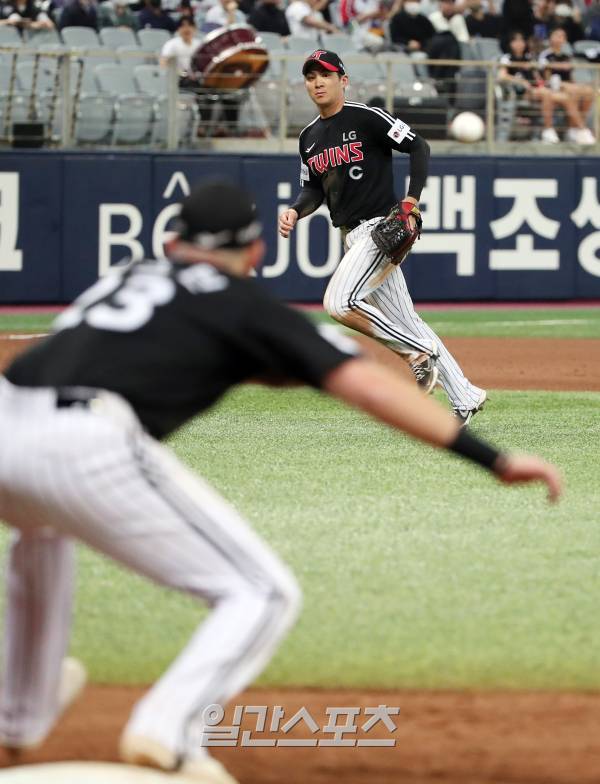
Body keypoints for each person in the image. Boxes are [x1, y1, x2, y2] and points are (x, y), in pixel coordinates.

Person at [0, 179, 561, 782]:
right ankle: (169, 727)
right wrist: (493, 459)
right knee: (261, 593)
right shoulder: (243, 304)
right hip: (86, 437)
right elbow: (367, 385)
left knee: (42, 532)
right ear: (256, 253)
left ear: (171, 241)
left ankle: (17, 717)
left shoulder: (128, 278)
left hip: (9, 418)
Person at [279, 50, 487, 425]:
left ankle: (415, 354)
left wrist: (411, 200)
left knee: (339, 303)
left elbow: (418, 146)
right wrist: (297, 209)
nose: (317, 83)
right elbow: (313, 190)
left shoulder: (366, 117)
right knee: (408, 320)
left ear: (343, 80)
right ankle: (466, 396)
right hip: (351, 235)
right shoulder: (309, 137)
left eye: (324, 75)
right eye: (310, 77)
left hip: (379, 230)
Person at [498, 29, 578, 143]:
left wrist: (540, 82)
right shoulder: (507, 58)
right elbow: (501, 76)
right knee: (547, 93)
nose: (519, 43)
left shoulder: (529, 58)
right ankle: (548, 130)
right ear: (510, 43)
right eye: (515, 41)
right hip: (522, 93)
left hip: (538, 90)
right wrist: (520, 82)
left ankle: (578, 130)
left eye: (521, 40)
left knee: (566, 97)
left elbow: (537, 77)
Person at [539, 26, 596, 143]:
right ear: (550, 38)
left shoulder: (566, 56)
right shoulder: (545, 55)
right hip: (553, 87)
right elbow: (546, 78)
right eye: (557, 35)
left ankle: (574, 128)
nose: (560, 39)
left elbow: (570, 77)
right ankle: (582, 129)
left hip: (567, 86)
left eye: (563, 36)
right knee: (573, 91)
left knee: (589, 92)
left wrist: (575, 85)